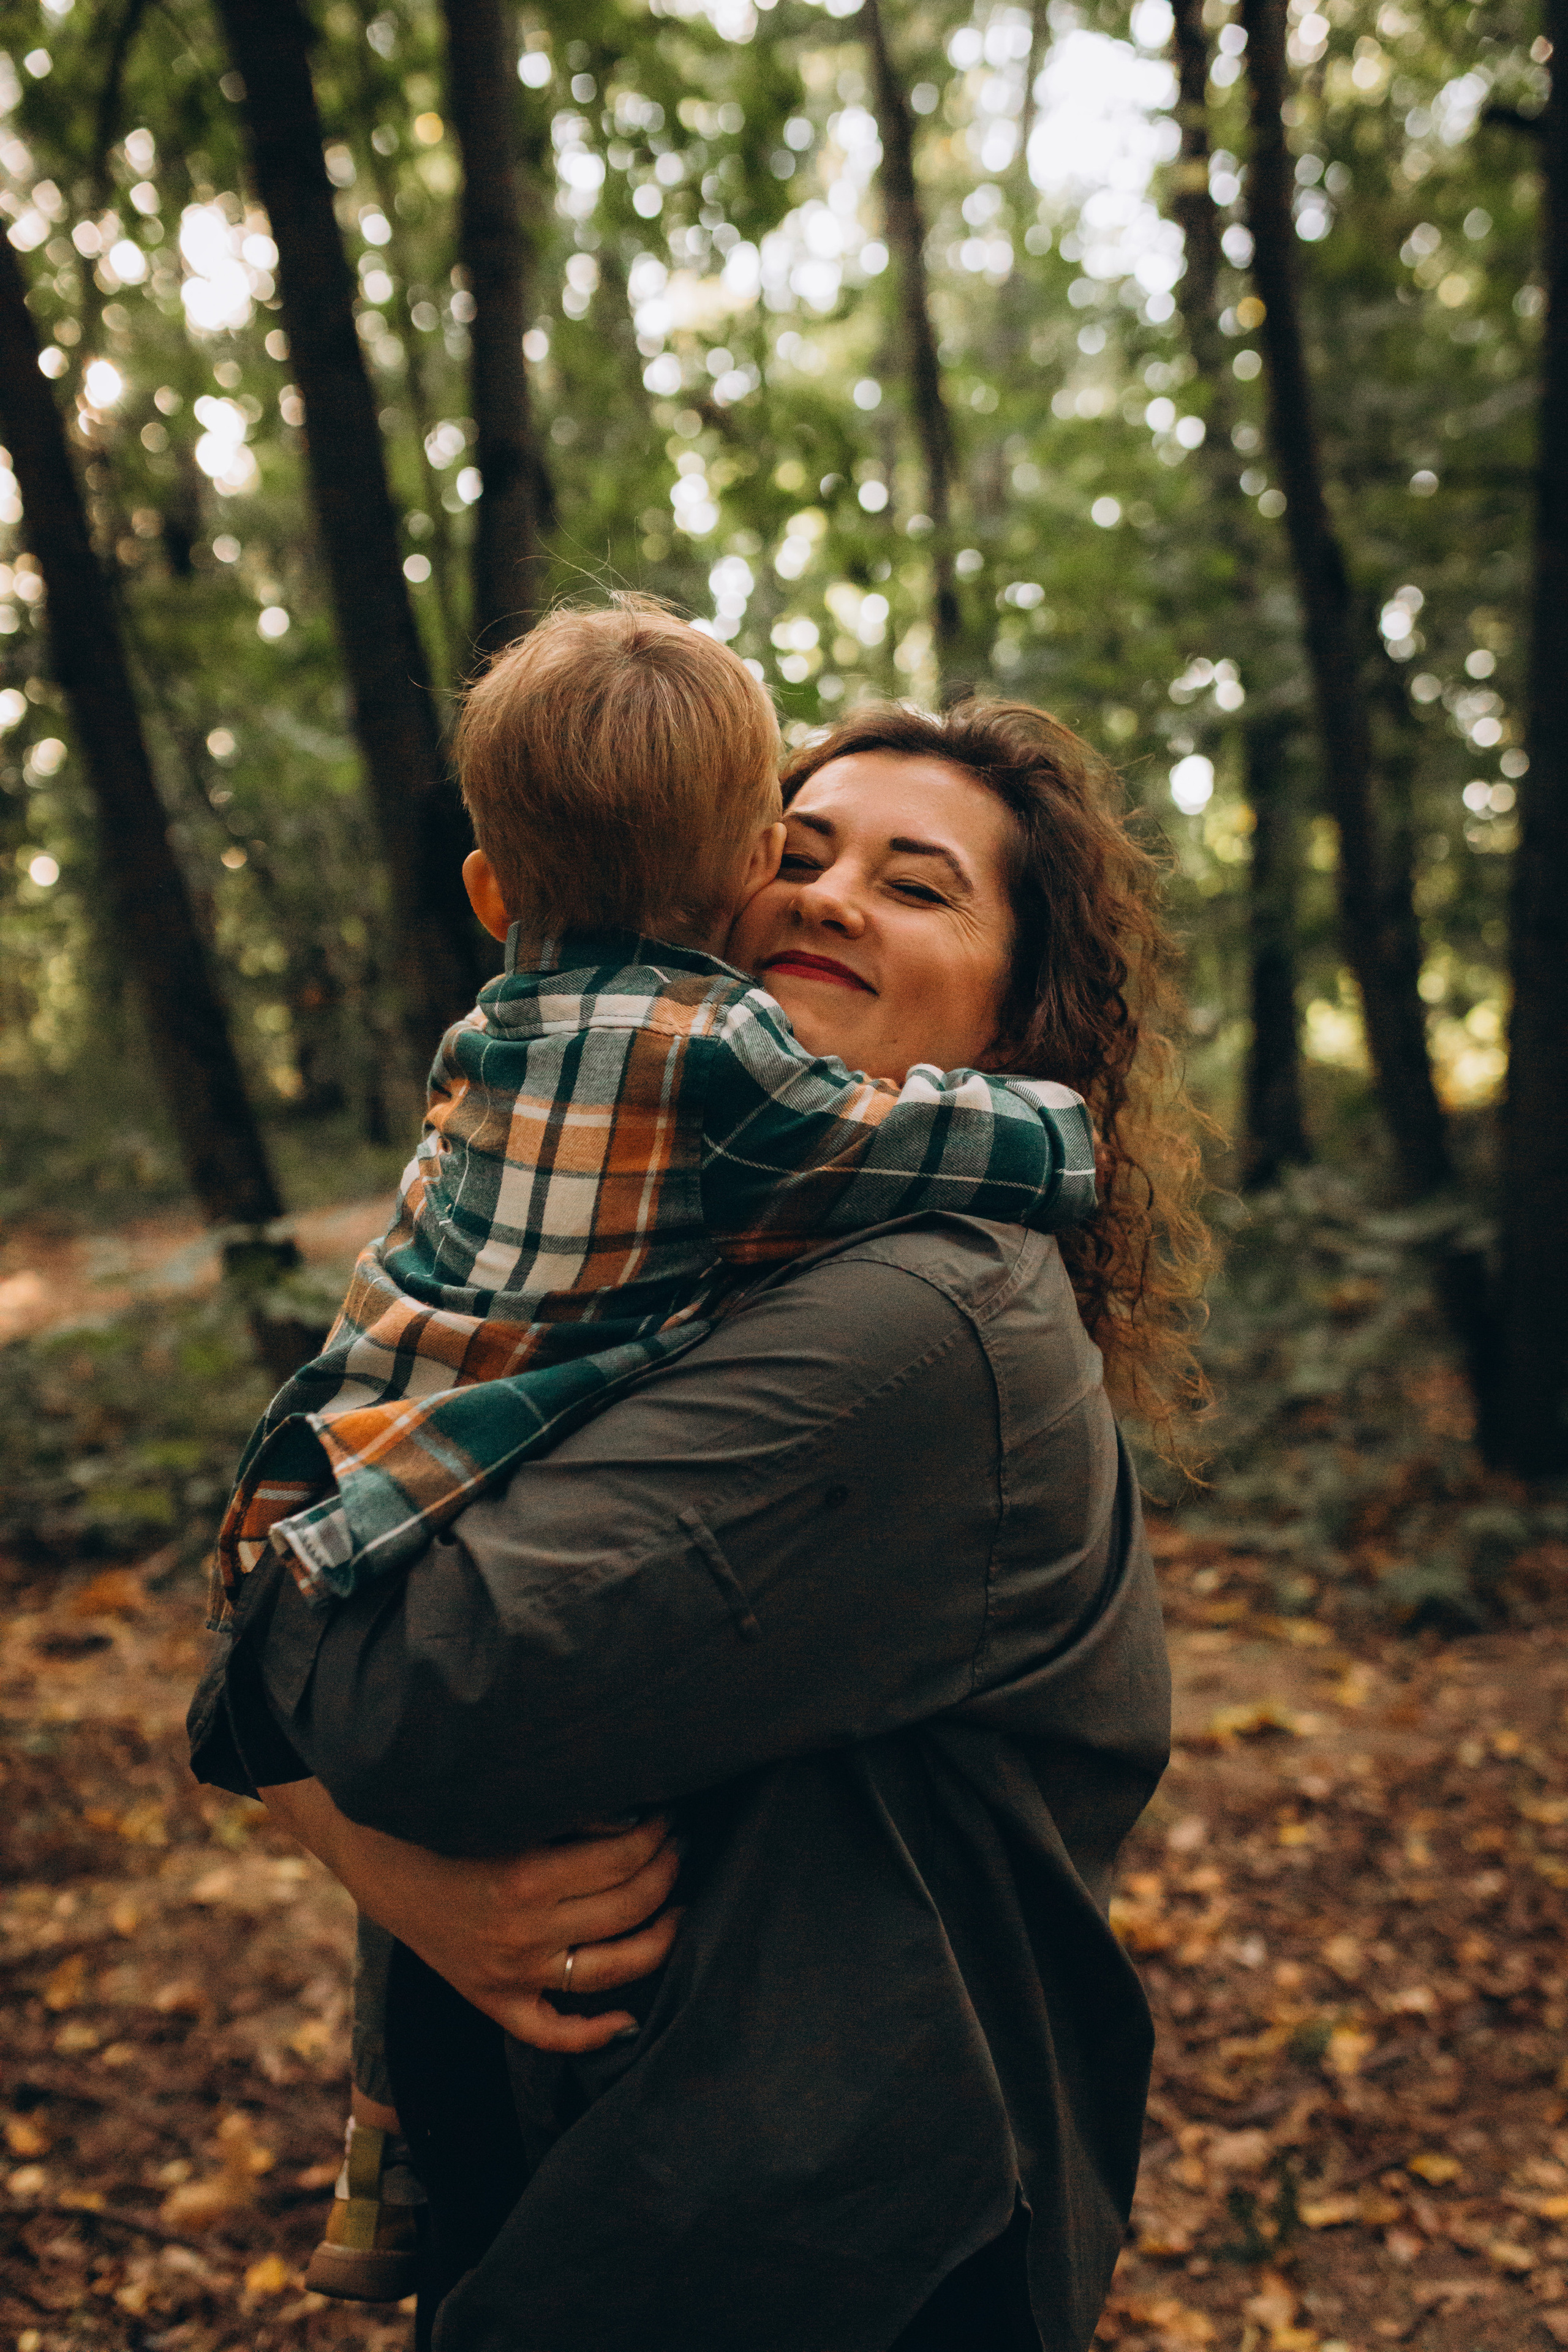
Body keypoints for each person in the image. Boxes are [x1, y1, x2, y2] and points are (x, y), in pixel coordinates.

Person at [190, 698, 1208, 2348]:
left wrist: (339, 1799)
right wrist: (379, 1861)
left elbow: (388, 1663)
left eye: (919, 885)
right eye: (794, 856)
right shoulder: (647, 1258)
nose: (827, 897)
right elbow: (315, 1542)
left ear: (1020, 1015)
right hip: (601, 2199)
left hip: (800, 2252)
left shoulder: (936, 1320)